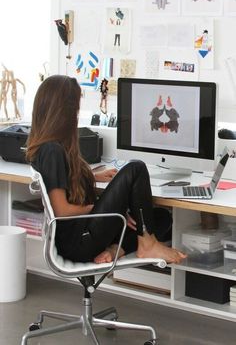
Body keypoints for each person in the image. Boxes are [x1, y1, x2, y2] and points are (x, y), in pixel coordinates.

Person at [26, 75, 187, 265]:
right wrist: (108, 208)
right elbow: (61, 210)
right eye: (76, 107)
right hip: (78, 242)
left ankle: (116, 249)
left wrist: (94, 176)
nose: (77, 112)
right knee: (136, 168)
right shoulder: (52, 150)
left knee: (159, 217)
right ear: (65, 111)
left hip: (82, 234)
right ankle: (148, 245)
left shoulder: (51, 147)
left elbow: (61, 180)